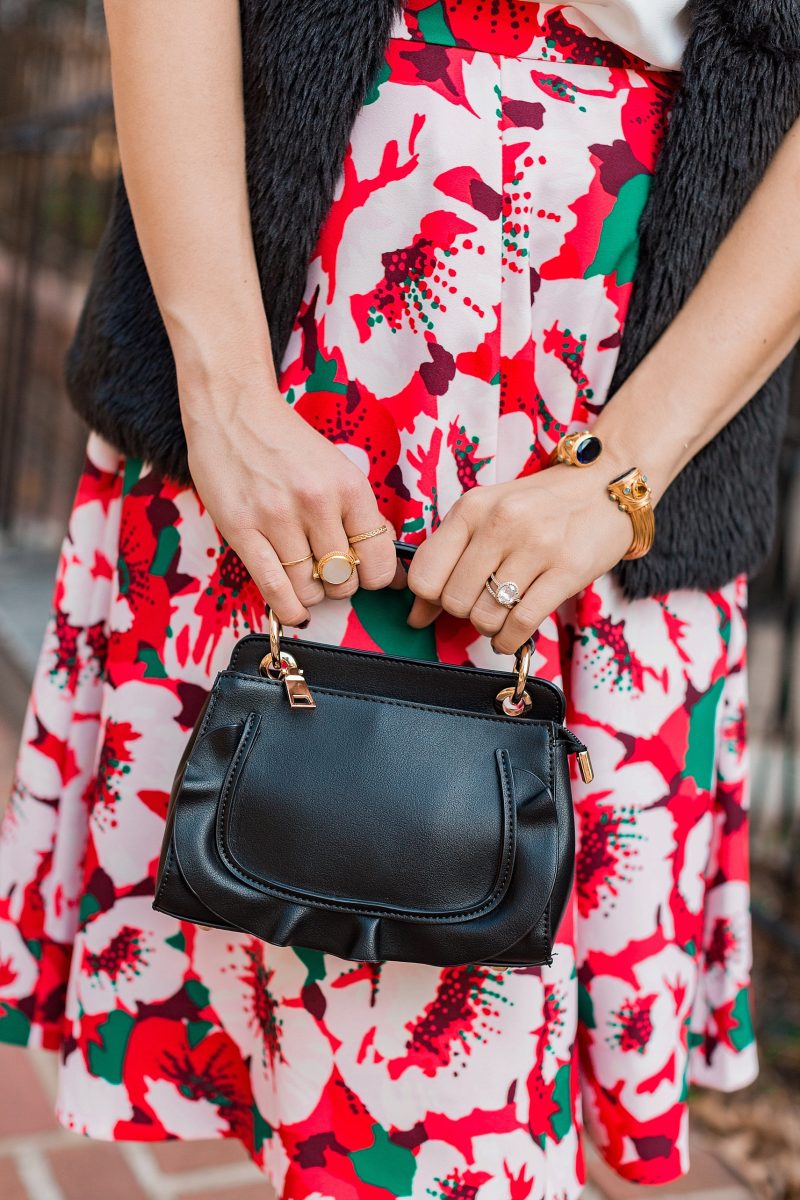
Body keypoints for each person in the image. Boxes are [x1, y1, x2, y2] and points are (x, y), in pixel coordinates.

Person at [0, 1, 798, 1196]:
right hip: (297, 293)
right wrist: (222, 393)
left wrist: (623, 469)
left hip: (630, 345)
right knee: (290, 1014)